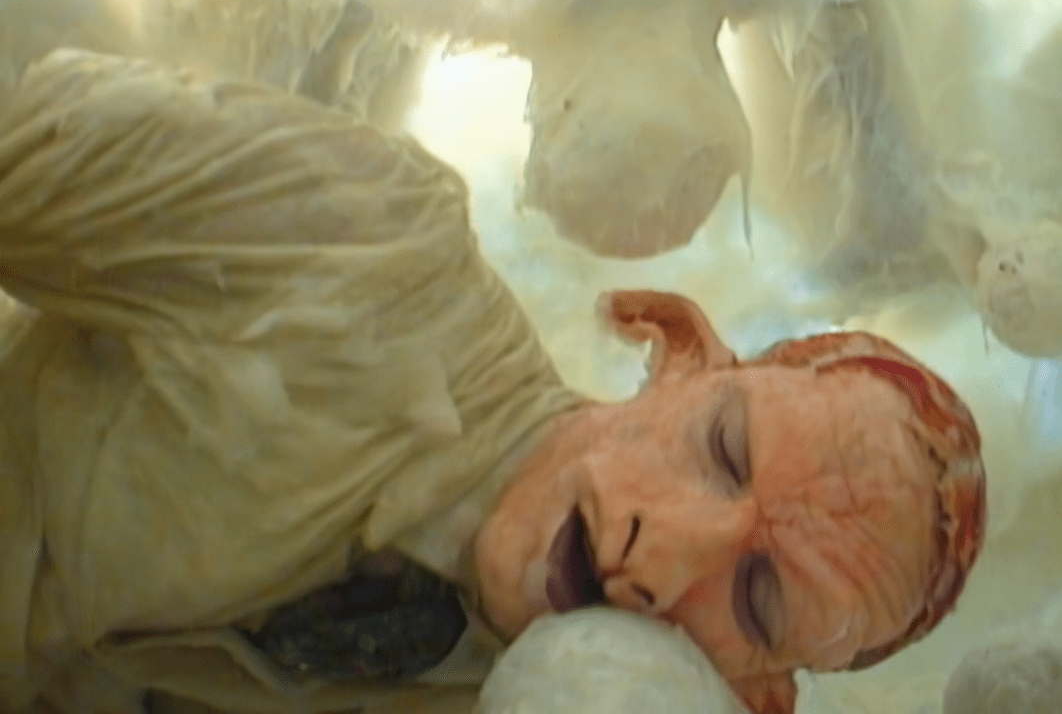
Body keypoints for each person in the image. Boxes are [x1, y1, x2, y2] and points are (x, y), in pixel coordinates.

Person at [0, 46, 985, 714]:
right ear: (673, 345)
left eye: (758, 599)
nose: (659, 553)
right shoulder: (364, 247)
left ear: (754, 694)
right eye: (723, 449)